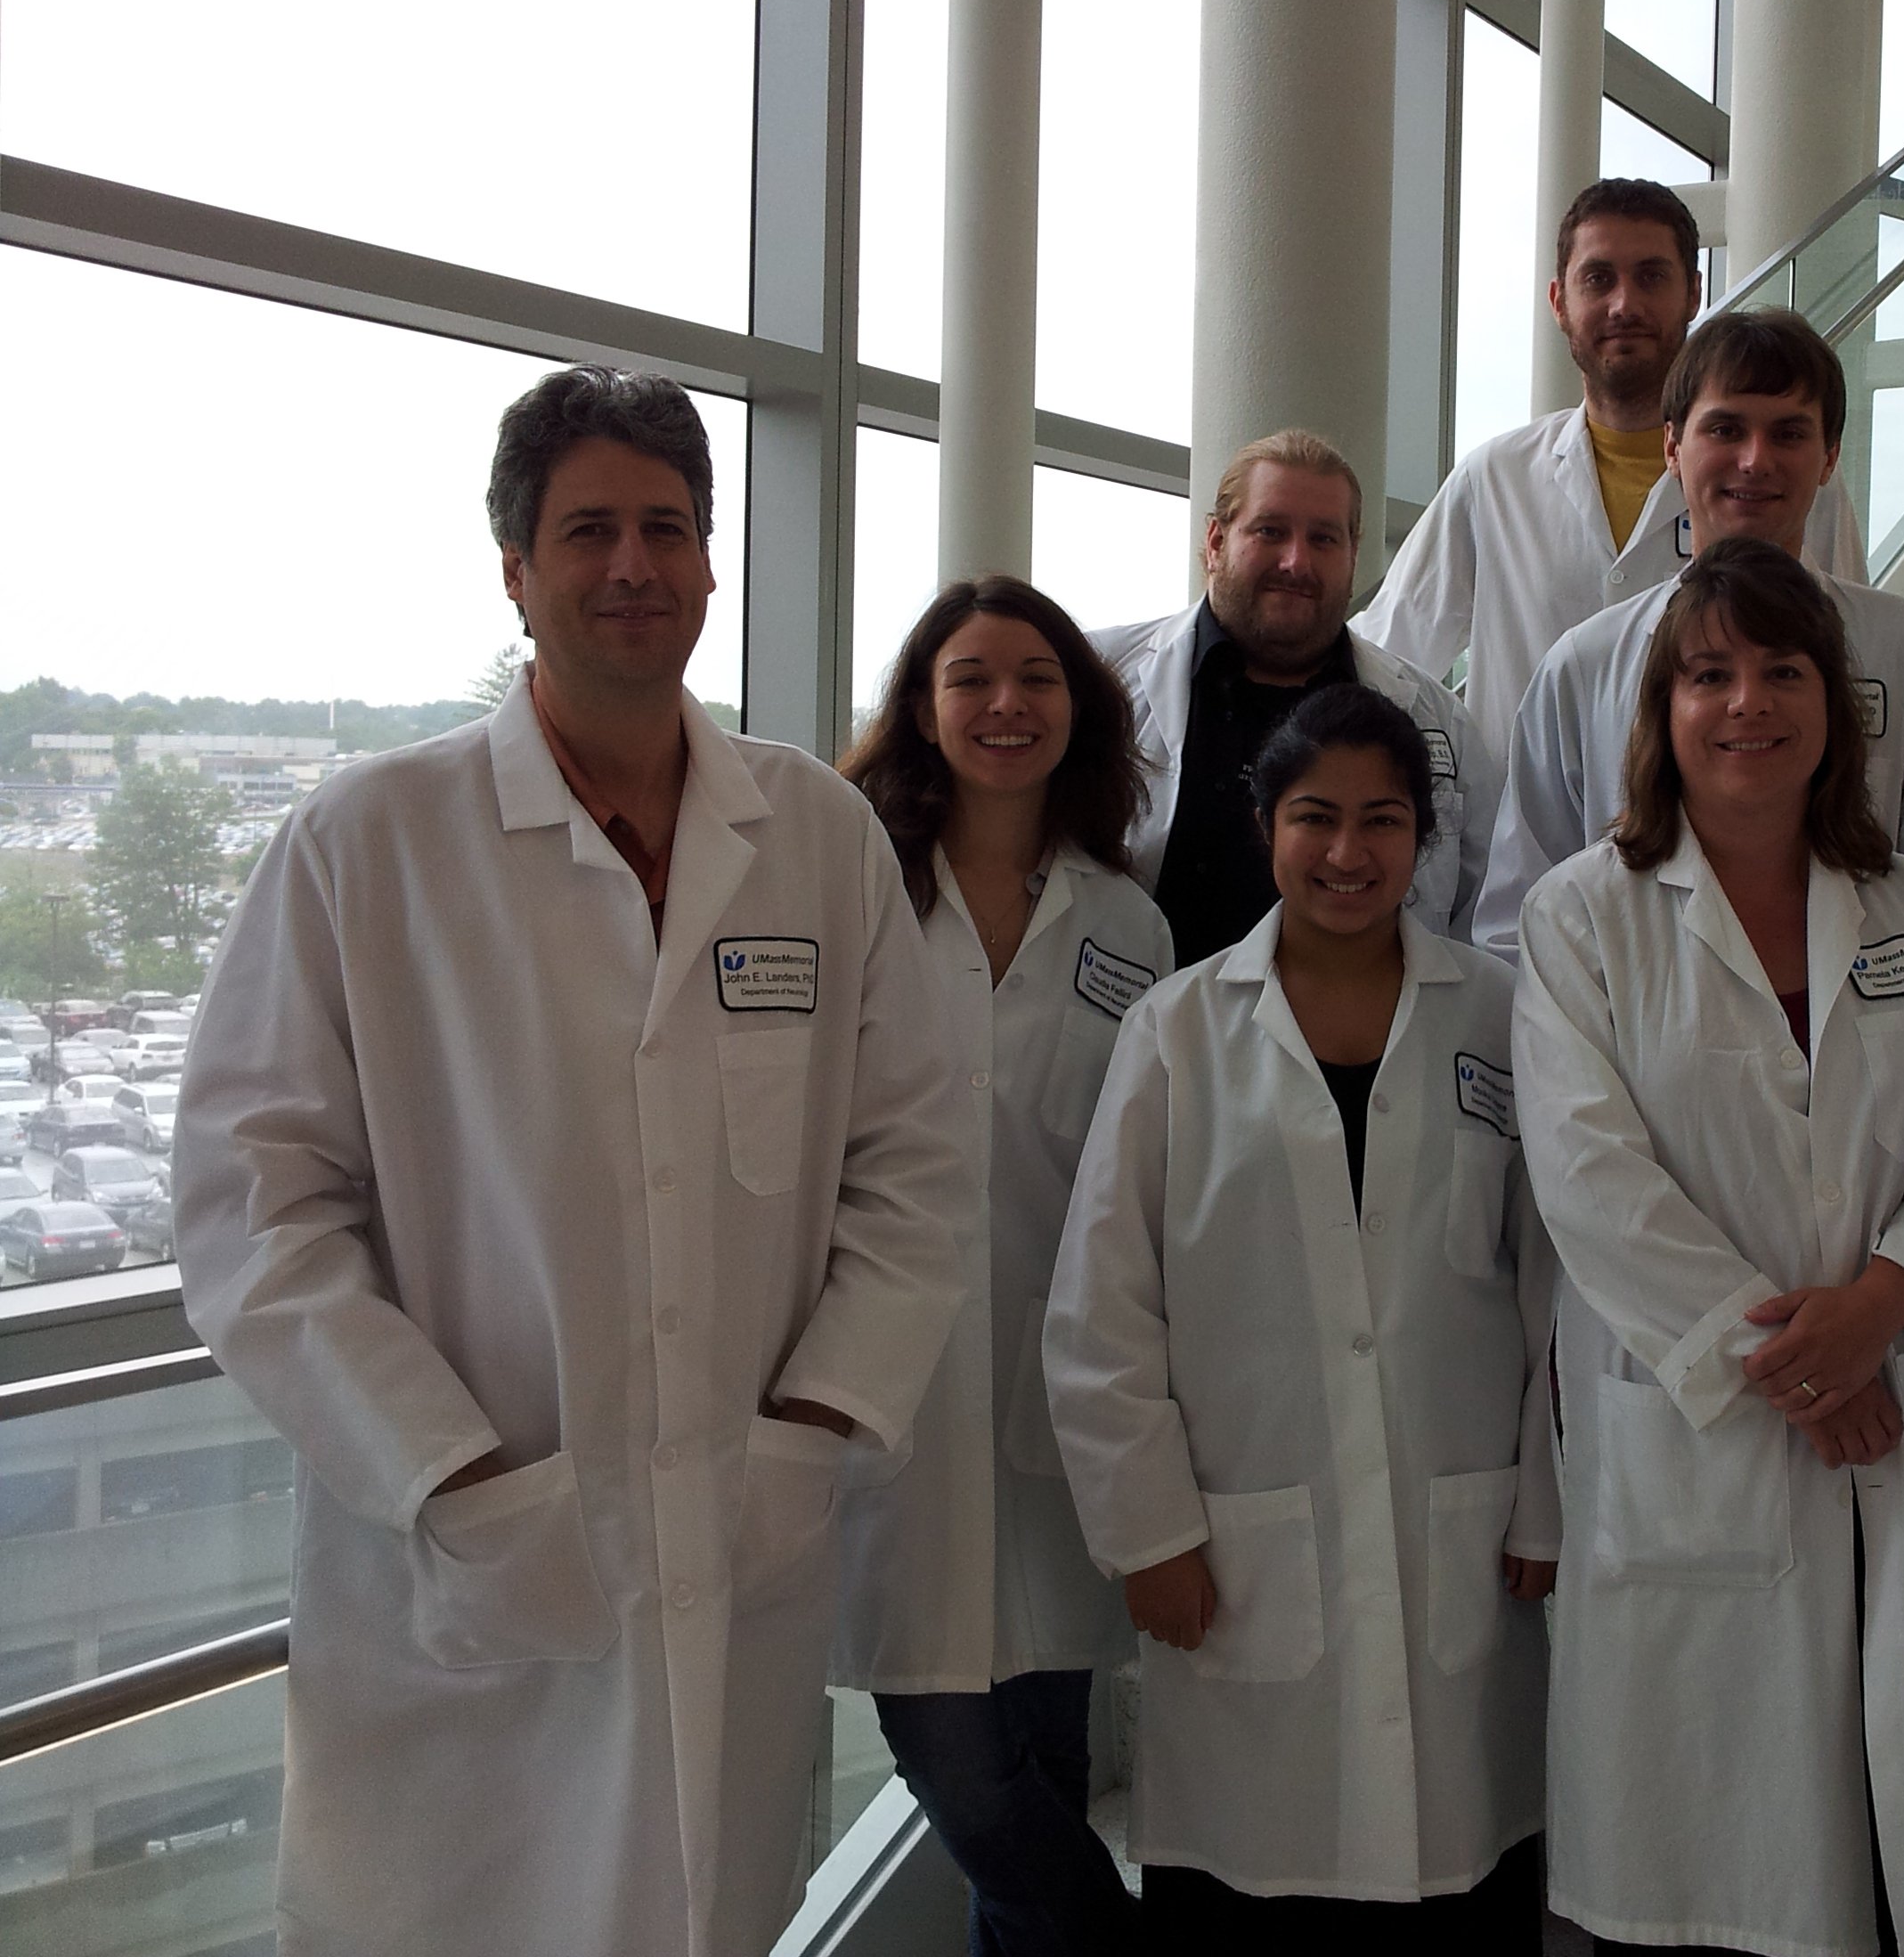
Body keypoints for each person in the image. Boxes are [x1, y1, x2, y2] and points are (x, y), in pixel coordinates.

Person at [173, 365, 968, 1957]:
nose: (632, 565)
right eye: (587, 530)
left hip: (738, 1531)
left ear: (712, 565)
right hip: (466, 1567)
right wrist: (448, 1473)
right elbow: (254, 1208)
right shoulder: (370, 841)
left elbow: (916, 1165)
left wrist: (815, 1424)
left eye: (666, 528)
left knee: (713, 1907)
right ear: (515, 570)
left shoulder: (814, 838)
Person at [1512, 542, 1904, 1957]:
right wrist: (1800, 1362)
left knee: (1893, 1840)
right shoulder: (1583, 914)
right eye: (1710, 674)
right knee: (1705, 1848)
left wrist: (1885, 1299)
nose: (1748, 702)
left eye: (1783, 671)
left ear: (1832, 705)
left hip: (1890, 1398)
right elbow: (1590, 1178)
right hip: (1708, 1422)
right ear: (1662, 710)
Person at [1046, 685, 1556, 1953]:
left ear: (1423, 837)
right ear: (1266, 825)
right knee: (1252, 1881)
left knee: (1460, 1866)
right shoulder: (1180, 1028)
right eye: (1316, 816)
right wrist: (1148, 1531)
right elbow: (1103, 1304)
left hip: (1459, 1530)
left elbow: (1550, 1281)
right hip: (1240, 1543)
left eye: (1383, 820)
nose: (1348, 851)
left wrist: (1544, 1501)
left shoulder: (1499, 1016)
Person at [833, 575, 1171, 1954]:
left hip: (1061, 1391)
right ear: (923, 708)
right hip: (886, 1383)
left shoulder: (1127, 926)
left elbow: (1143, 1181)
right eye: (970, 678)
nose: (1005, 704)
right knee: (969, 1778)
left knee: (1051, 1764)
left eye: (1036, 678)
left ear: (1076, 709)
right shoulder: (849, 891)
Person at [1475, 308, 1904, 969]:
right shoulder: (1586, 664)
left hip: (1864, 1023)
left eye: (1788, 433)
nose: (1755, 461)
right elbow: (1518, 926)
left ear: (1830, 456)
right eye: (1725, 429)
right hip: (1627, 1027)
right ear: (1672, 447)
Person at [1358, 178, 1867, 780]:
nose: (1624, 305)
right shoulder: (1493, 480)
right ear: (1559, 301)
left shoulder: (1790, 486)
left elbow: (1850, 659)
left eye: (1651, 276)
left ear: (1694, 293)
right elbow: (1386, 658)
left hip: (1730, 821)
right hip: (1528, 832)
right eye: (1598, 279)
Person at [1093, 428, 1490, 966]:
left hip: (1374, 1018)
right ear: (1215, 542)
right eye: (1271, 531)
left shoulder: (1435, 717)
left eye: (1324, 539)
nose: (1296, 562)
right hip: (1143, 1014)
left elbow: (1482, 911)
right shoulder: (1102, 683)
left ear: (1353, 554)